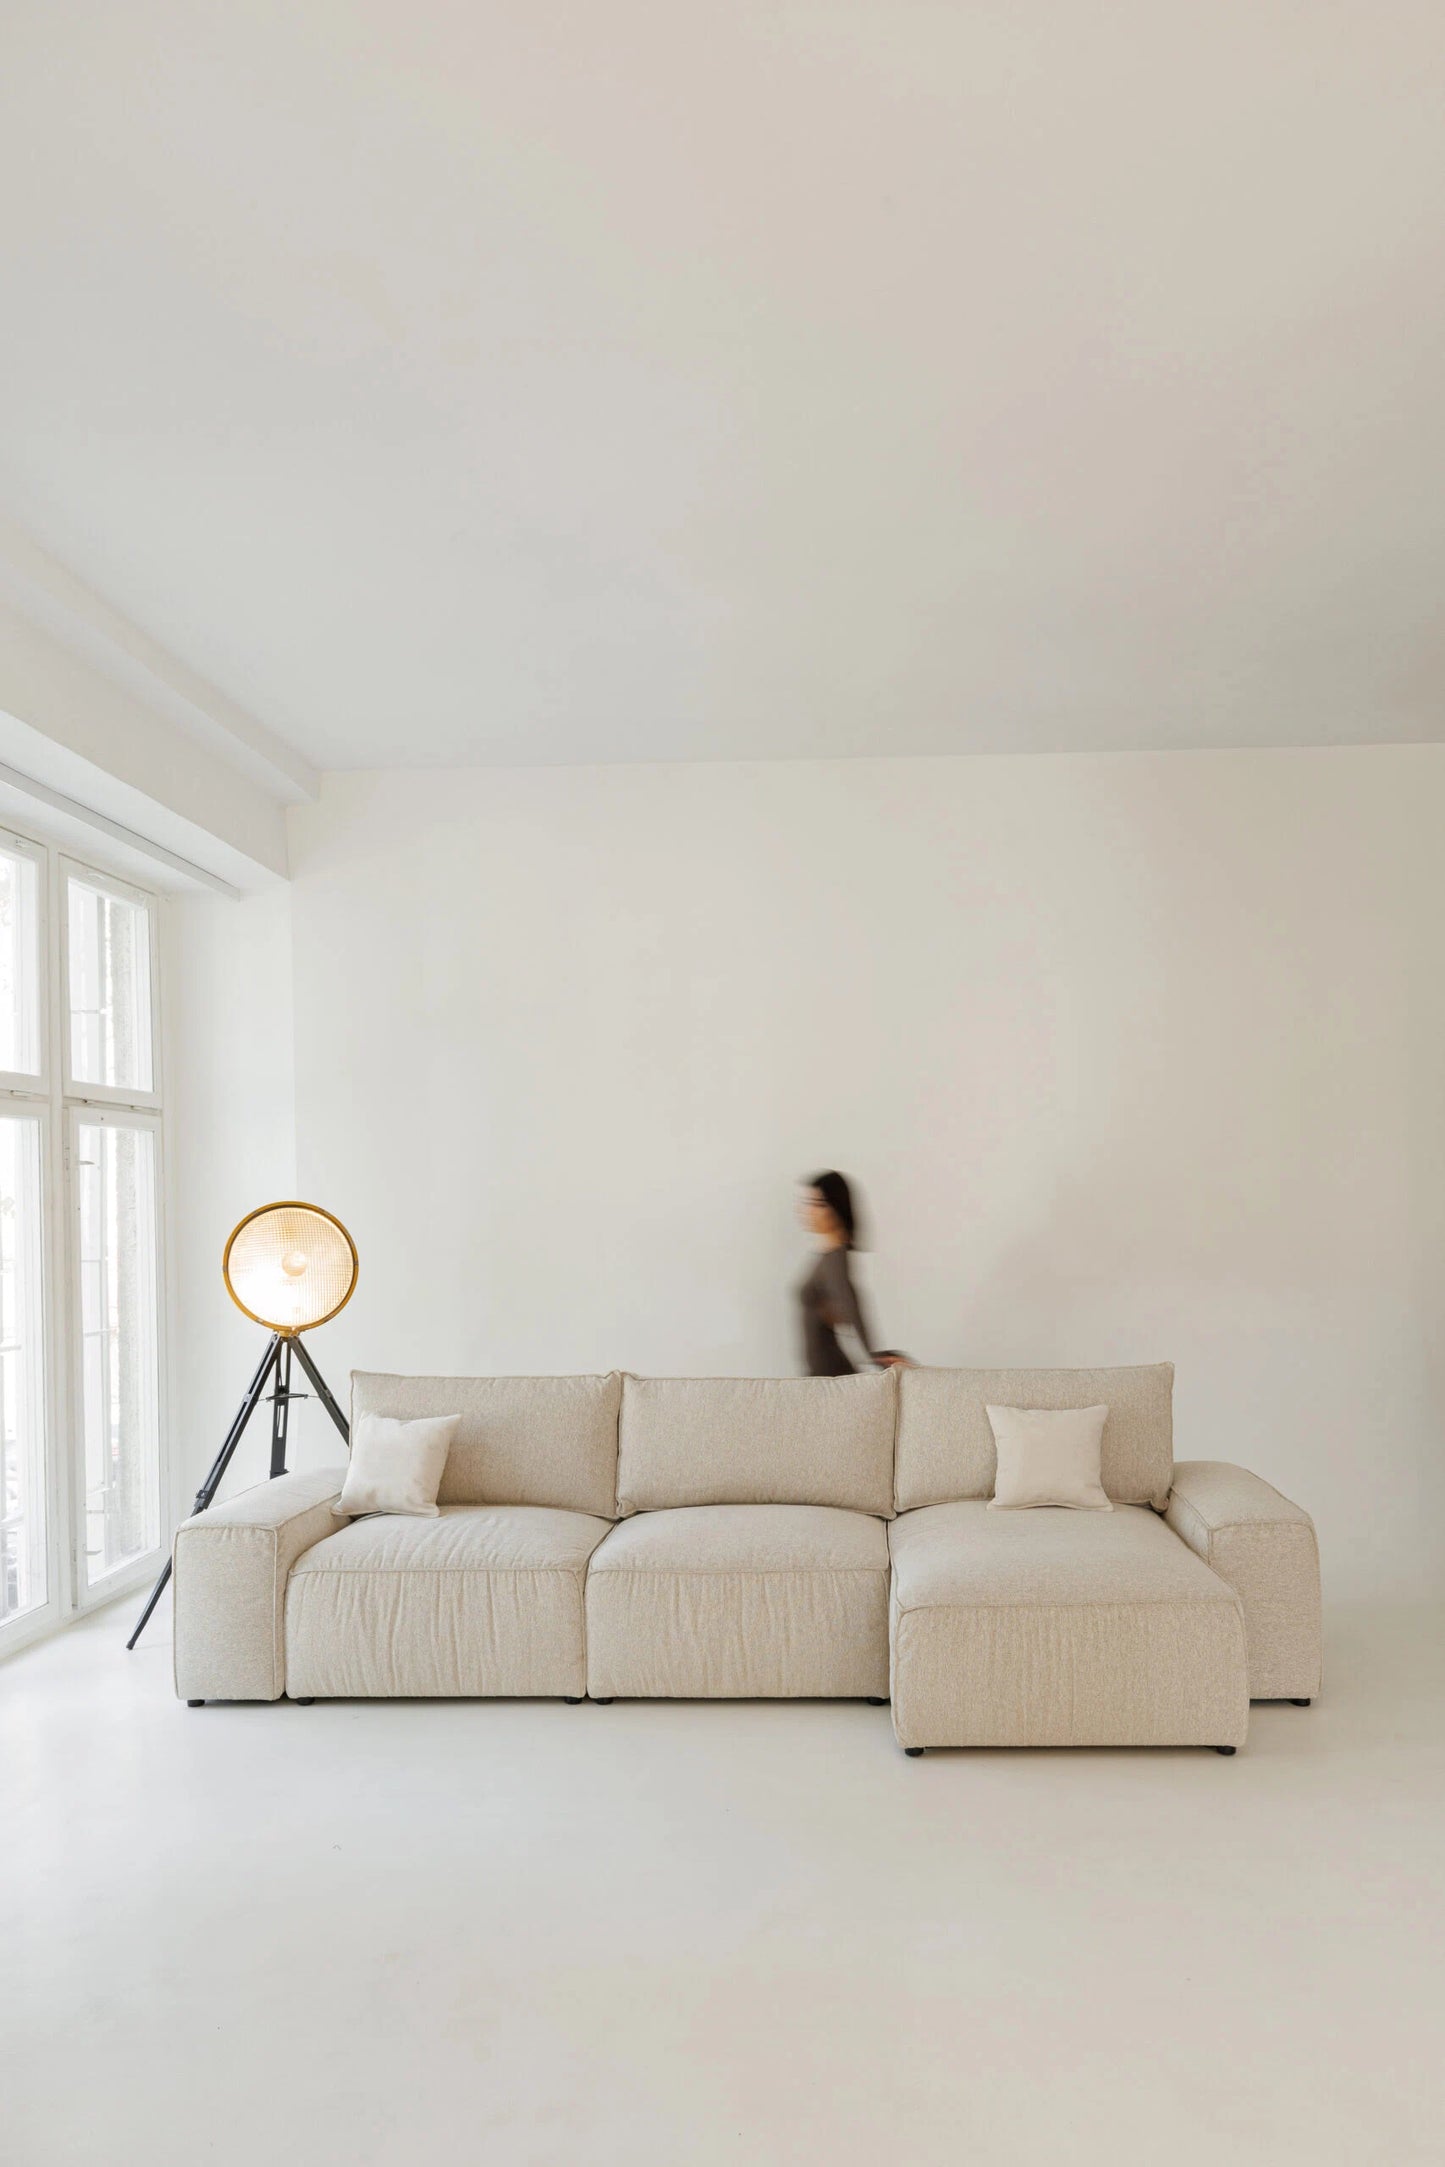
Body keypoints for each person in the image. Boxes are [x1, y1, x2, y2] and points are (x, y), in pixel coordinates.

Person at [796, 1171, 907, 1376]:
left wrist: (873, 1354)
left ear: (837, 1208)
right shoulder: (827, 1255)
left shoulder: (835, 1259)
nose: (807, 1211)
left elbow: (850, 1306)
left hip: (828, 1373)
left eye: (818, 1204)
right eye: (807, 1203)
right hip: (820, 1373)